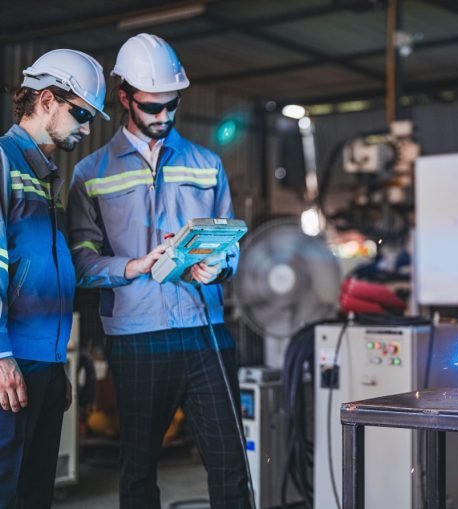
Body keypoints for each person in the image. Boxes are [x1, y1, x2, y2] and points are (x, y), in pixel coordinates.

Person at [67, 33, 249, 509]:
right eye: (152, 107)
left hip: (206, 332)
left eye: (172, 105)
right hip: (136, 335)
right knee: (139, 470)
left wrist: (218, 268)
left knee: (231, 466)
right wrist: (135, 266)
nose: (164, 116)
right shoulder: (91, 174)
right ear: (124, 98)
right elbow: (81, 263)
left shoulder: (207, 165)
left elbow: (231, 246)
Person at [0, 49, 109, 508]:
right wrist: (1, 354)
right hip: (11, 363)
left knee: (34, 494)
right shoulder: (4, 161)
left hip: (42, 362)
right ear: (46, 100)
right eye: (81, 114)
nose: (86, 128)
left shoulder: (45, 177)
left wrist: (57, 361)